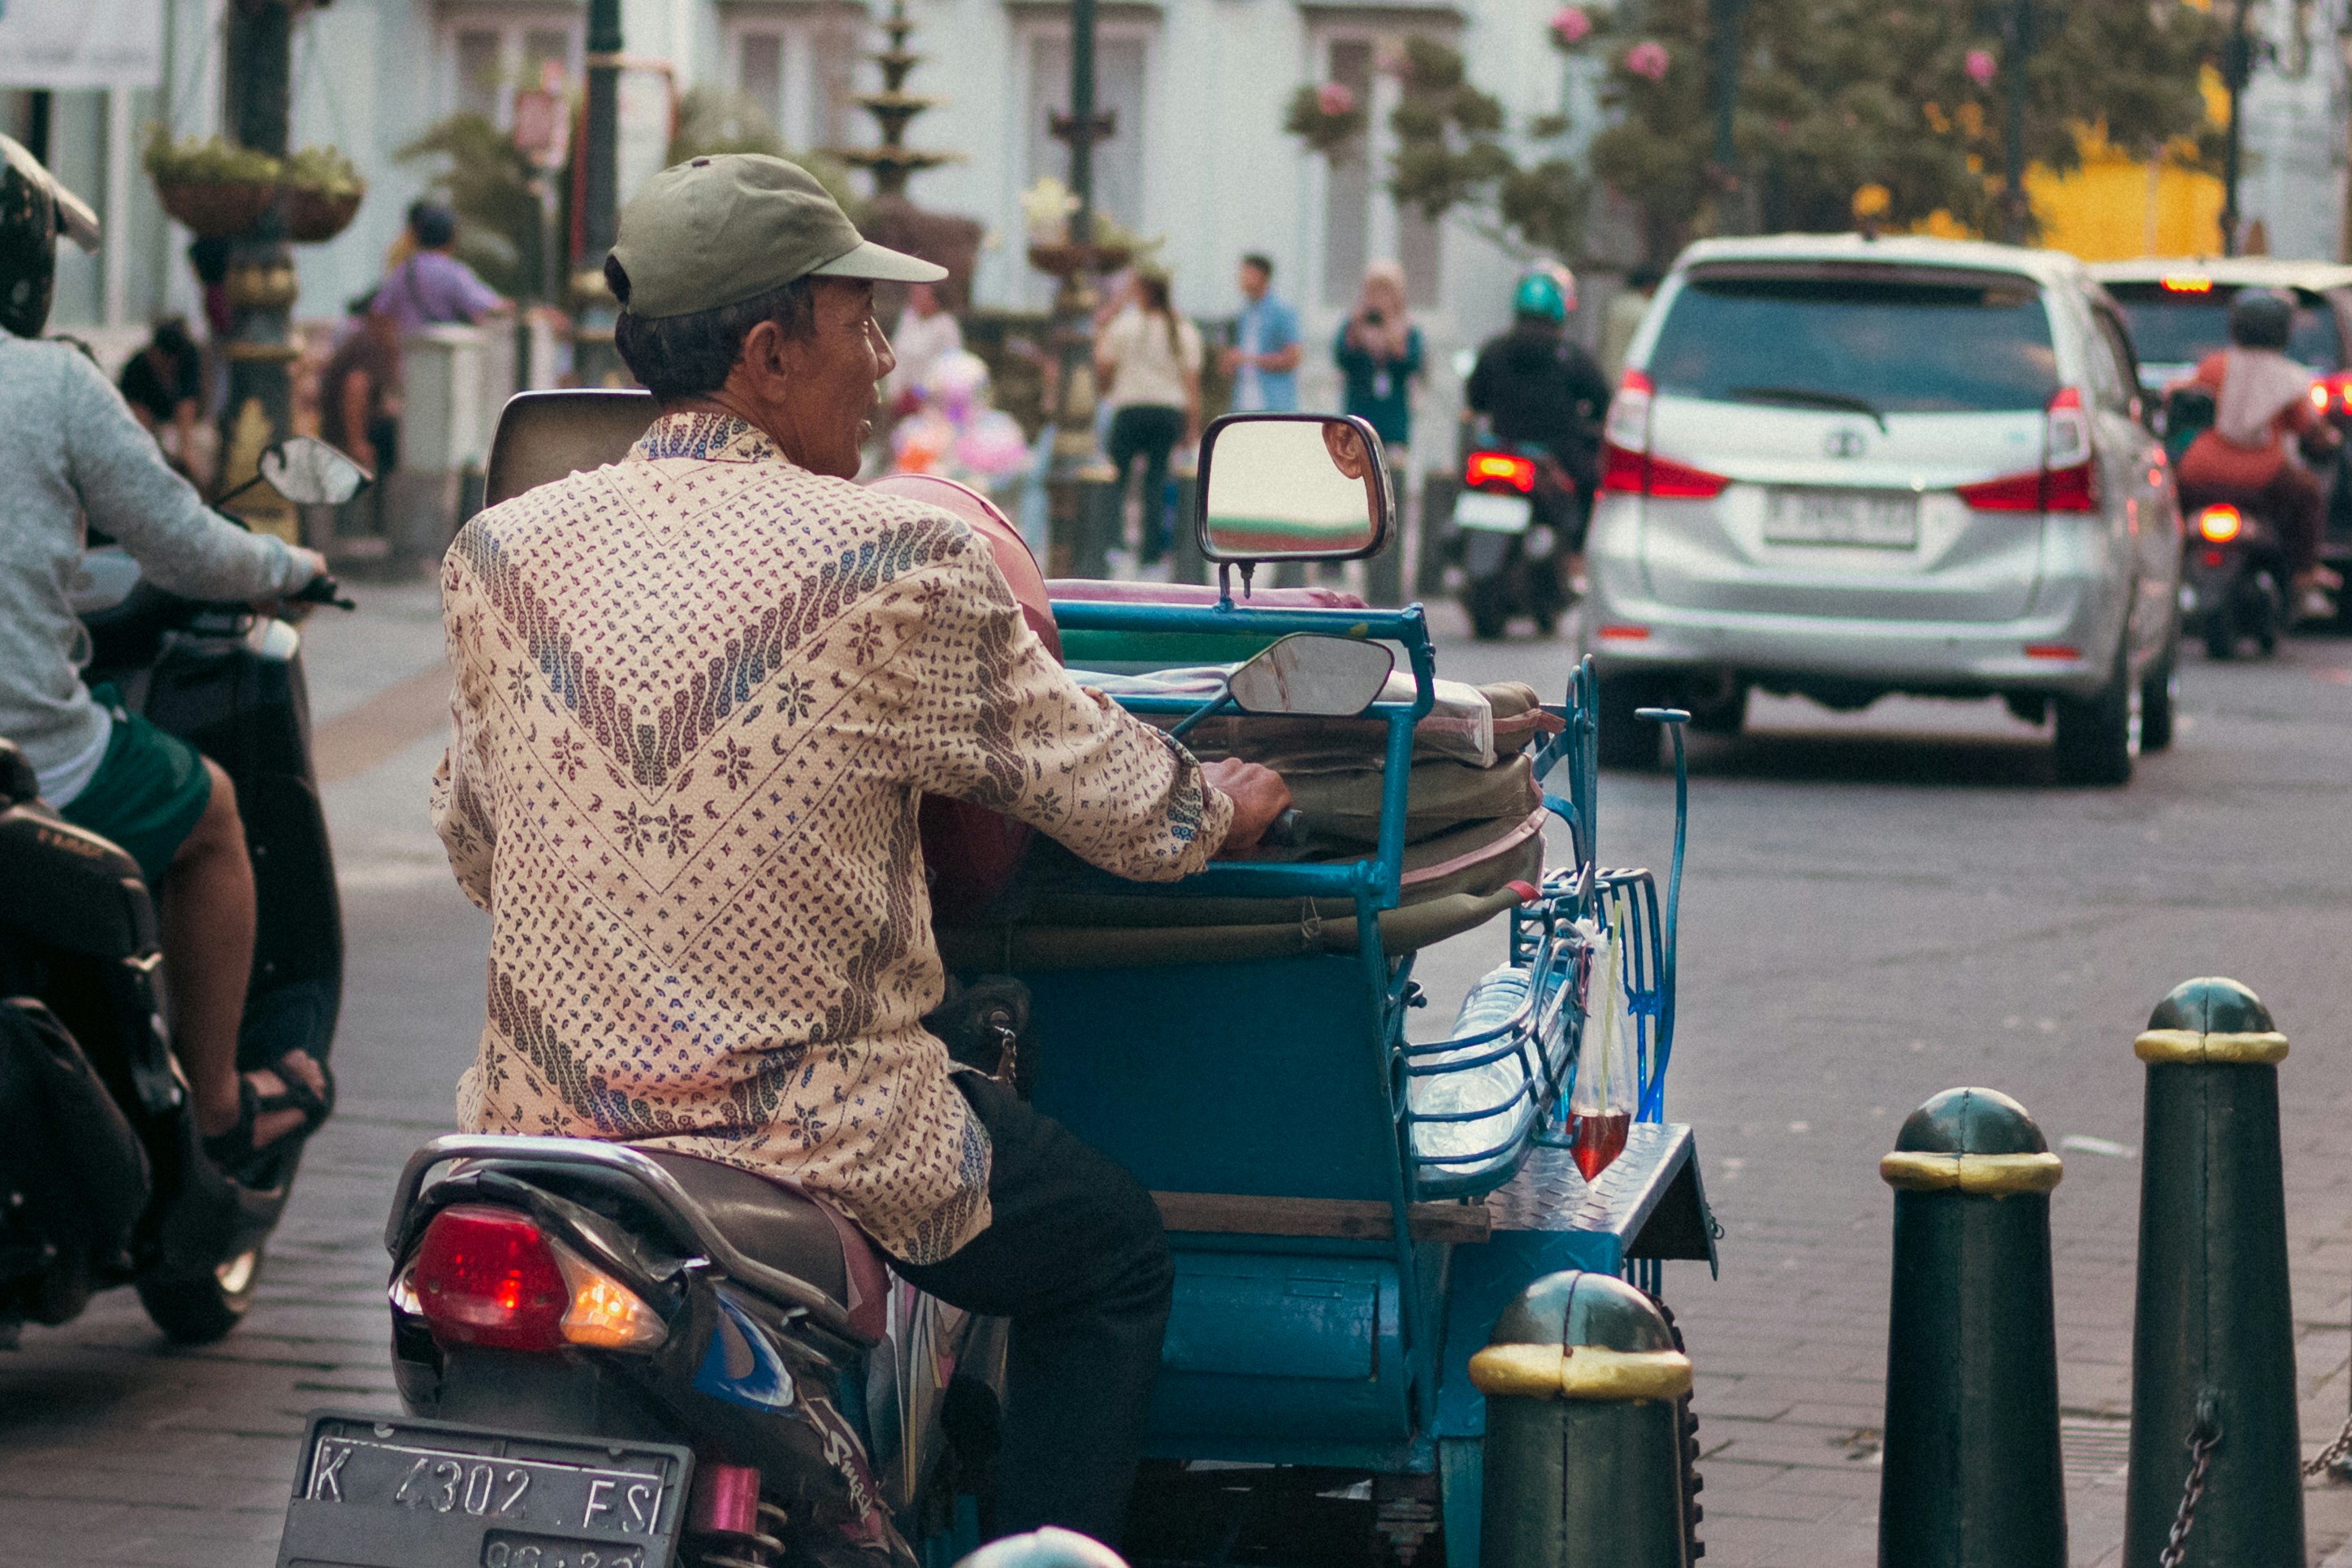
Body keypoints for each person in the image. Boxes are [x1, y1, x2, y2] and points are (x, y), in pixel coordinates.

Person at [431, 154, 1290, 1547]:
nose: (884, 364)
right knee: (1116, 1254)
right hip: (815, 1136)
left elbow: (478, 846)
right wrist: (1229, 805)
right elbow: (1133, 810)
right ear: (768, 355)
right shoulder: (893, 557)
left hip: (540, 1132)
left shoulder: (496, 552)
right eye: (858, 324)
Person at [0, 136, 331, 1181]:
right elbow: (185, 544)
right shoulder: (53, 382)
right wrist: (290, 561)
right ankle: (222, 1104)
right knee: (215, 813)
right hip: (37, 764)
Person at [2173, 288, 2345, 617]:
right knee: (2309, 495)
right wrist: (2327, 439)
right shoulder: (2292, 378)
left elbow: (2185, 401)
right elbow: (2308, 429)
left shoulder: (2214, 366)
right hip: (2264, 477)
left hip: (2199, 473)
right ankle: (2303, 579)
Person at [1466, 267, 1613, 547]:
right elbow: (1601, 400)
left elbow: (1475, 398)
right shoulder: (1571, 357)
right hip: (1557, 454)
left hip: (1501, 447)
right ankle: (1576, 555)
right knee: (1590, 482)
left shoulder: (1494, 350)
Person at [1094, 271, 1204, 566]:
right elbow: (1191, 383)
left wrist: (1107, 389)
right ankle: (1151, 550)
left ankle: (1113, 542)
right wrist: (1192, 427)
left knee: (1117, 477)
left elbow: (1103, 365)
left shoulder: (1125, 326)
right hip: (1169, 411)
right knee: (1156, 479)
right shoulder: (1182, 330)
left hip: (1130, 407)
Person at [1333, 262, 1422, 600]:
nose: (1379, 298)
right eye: (1375, 290)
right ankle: (1354, 563)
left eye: (1387, 291)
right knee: (1357, 497)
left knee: (1390, 495)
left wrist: (1390, 328)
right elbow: (1342, 355)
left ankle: (1388, 575)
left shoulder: (1408, 328)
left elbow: (1408, 361)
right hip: (1359, 419)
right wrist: (1359, 319)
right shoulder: (1353, 324)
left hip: (1392, 423)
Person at [370, 200, 509, 332]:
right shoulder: (453, 273)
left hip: (408, 352)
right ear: (452, 238)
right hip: (444, 353)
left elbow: (379, 313)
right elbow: (489, 307)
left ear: (416, 235)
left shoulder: (403, 271)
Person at [319, 293, 403, 476]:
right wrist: (357, 443)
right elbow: (356, 386)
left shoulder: (365, 338)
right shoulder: (372, 343)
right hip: (348, 437)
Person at [116, 317, 206, 484]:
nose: (168, 366)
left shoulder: (188, 358)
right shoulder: (135, 368)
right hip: (145, 428)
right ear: (154, 352)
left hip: (175, 426)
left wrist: (185, 449)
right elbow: (137, 414)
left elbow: (187, 404)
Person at [1221, 252, 1300, 413]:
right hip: (1242, 403)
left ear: (1262, 276)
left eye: (1247, 273)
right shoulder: (1242, 315)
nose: (1241, 278)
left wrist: (1247, 359)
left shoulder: (1282, 312)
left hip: (1273, 403)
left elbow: (1293, 358)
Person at [883, 279, 964, 415]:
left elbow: (949, 366)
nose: (915, 296)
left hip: (929, 402)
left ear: (934, 298)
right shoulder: (908, 318)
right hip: (899, 398)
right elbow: (898, 352)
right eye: (914, 292)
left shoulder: (946, 326)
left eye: (921, 293)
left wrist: (920, 392)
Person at [1600, 265, 1661, 383]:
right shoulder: (1648, 311)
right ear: (1650, 286)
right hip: (1634, 379)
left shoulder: (1615, 306)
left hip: (1608, 375)